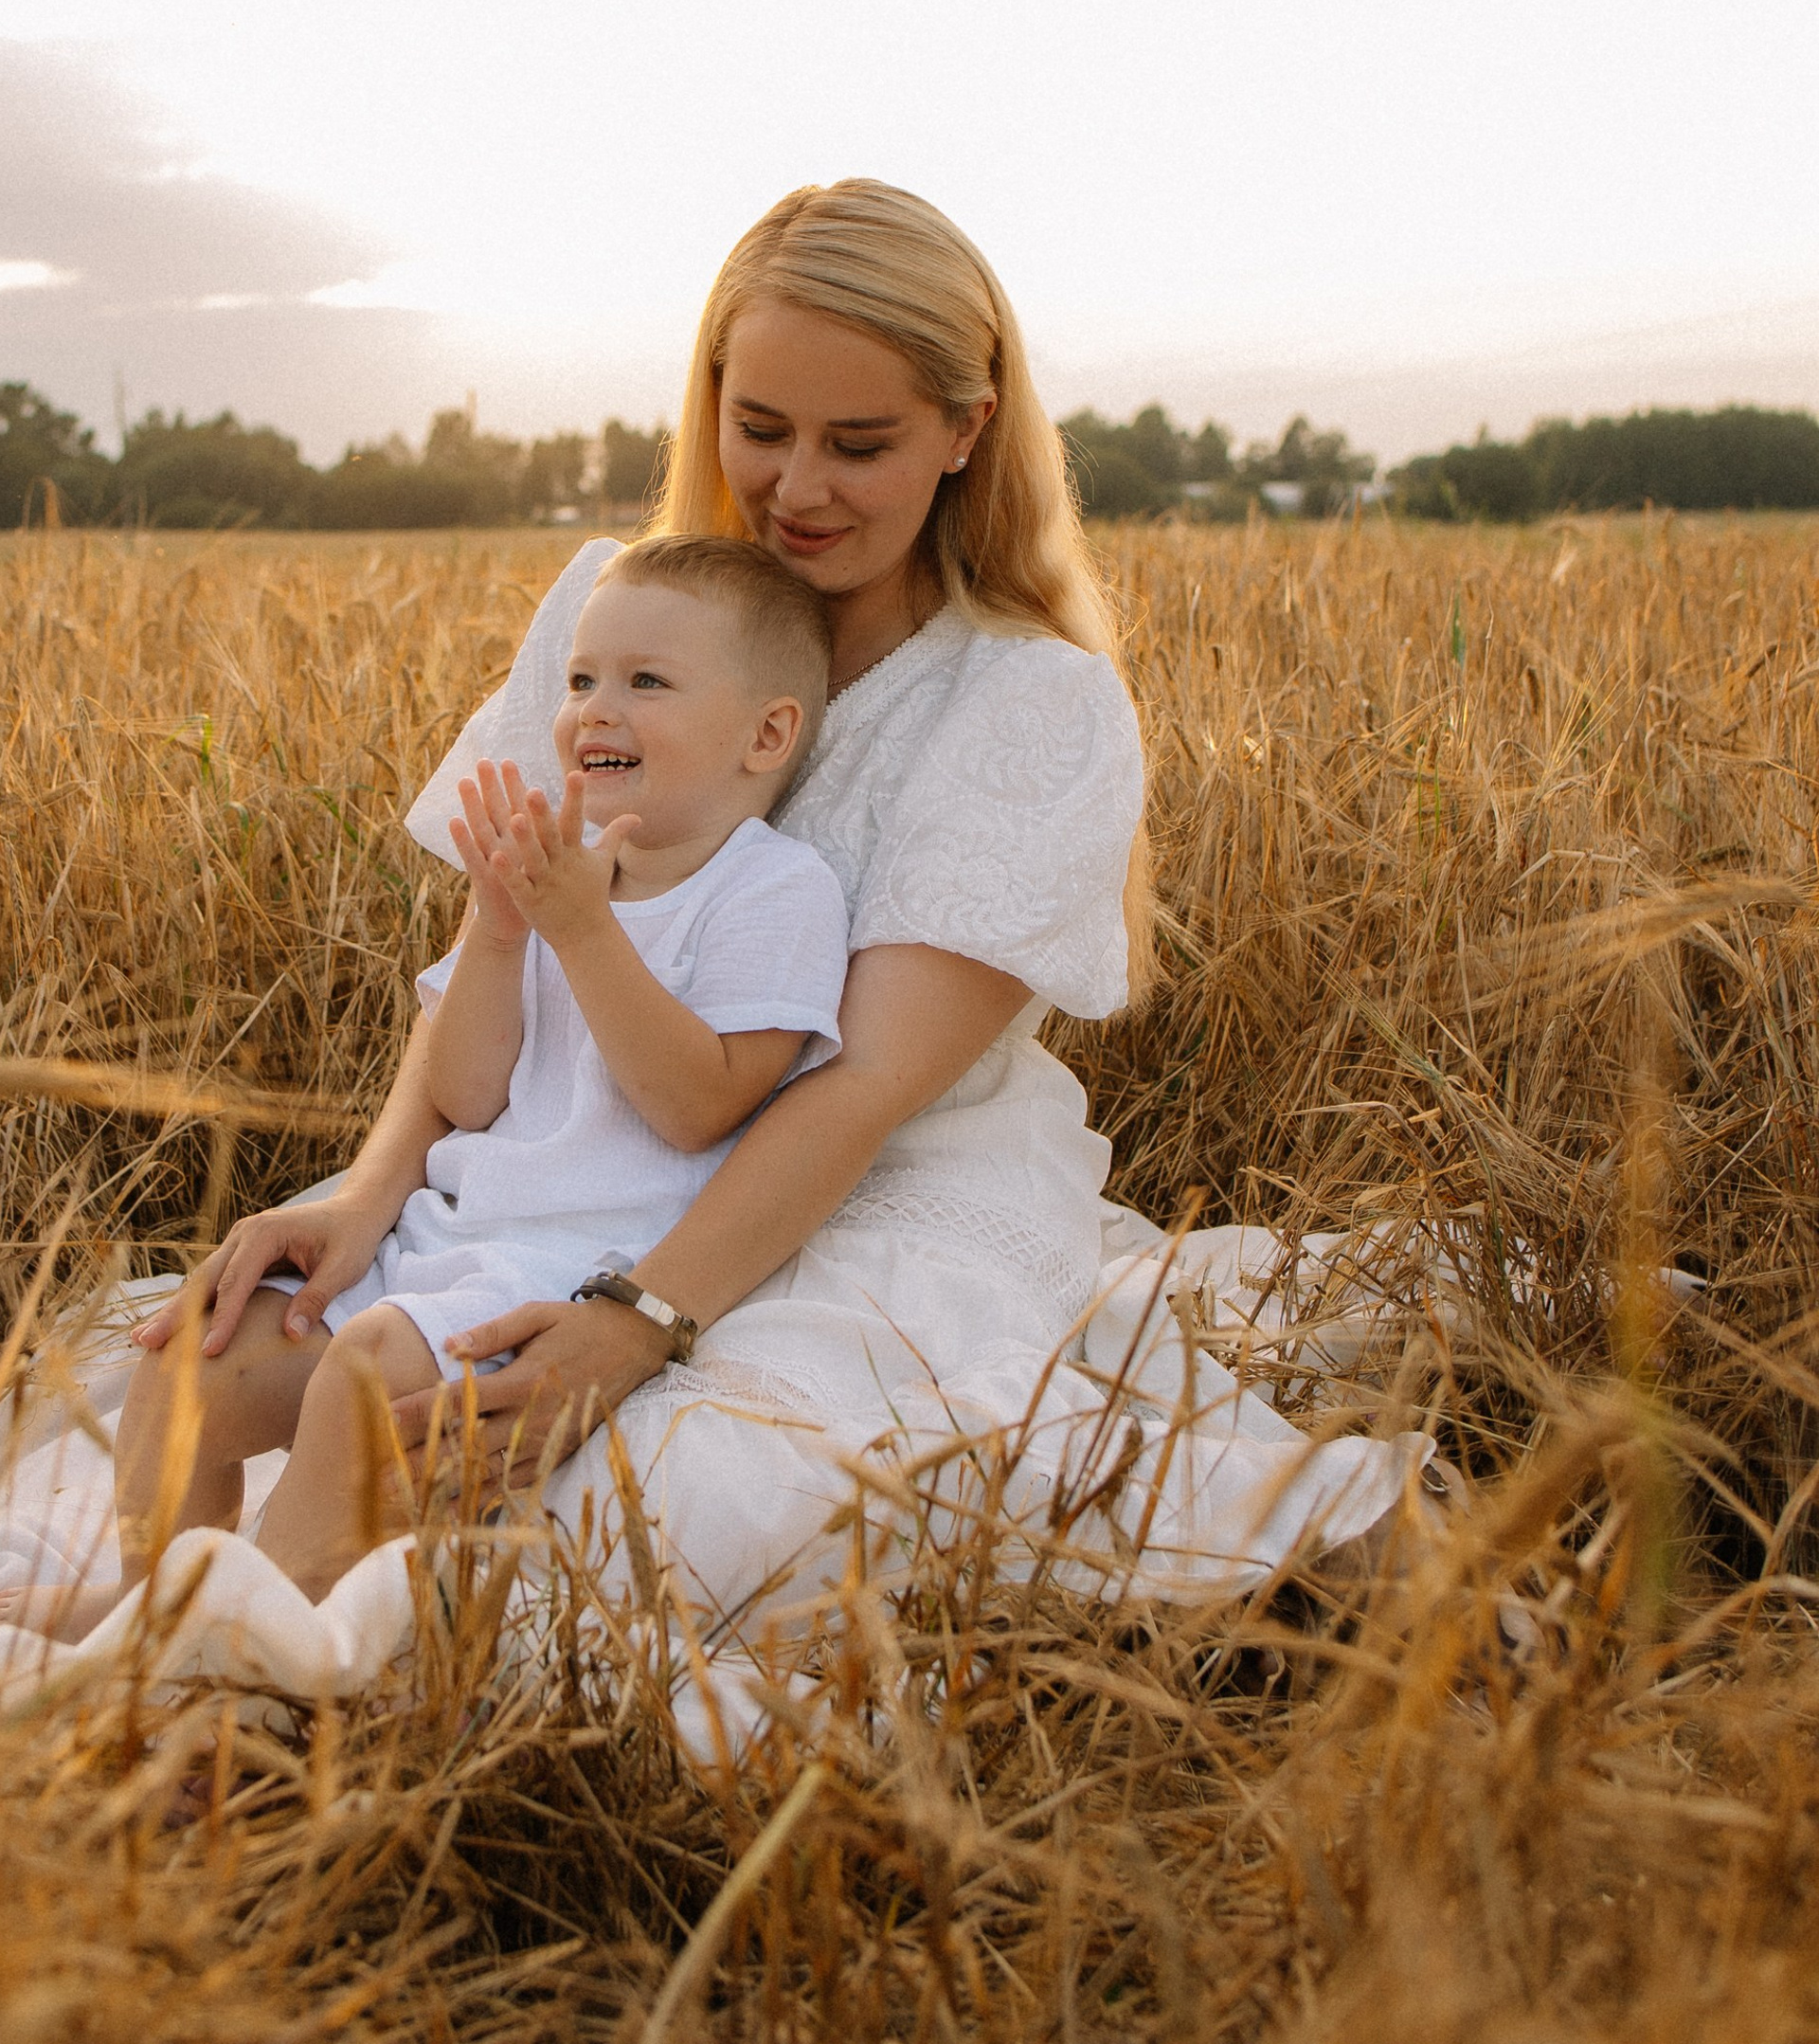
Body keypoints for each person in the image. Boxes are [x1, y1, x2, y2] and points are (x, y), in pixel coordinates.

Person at [126, 177, 1421, 1687]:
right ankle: (203, 1648)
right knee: (201, 1363)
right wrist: (366, 1195)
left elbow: (859, 1091)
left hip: (877, 1190)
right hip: (571, 1157)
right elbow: (496, 956)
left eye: (859, 444)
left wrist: (635, 1322)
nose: (797, 485)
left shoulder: (1029, 703)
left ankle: (262, 1675)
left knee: (604, 1517)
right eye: (761, 428)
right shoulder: (626, 612)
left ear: (966, 428)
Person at [3, 535, 850, 1634]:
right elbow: (467, 1091)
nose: (595, 708)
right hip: (439, 1230)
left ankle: (255, 1649)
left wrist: (582, 931)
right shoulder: (549, 863)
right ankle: (150, 1598)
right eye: (582, 679)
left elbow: (702, 1105)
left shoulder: (772, 889)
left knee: (365, 1383)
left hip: (576, 1262)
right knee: (185, 1361)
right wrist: (500, 937)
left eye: (646, 682)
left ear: (766, 733)